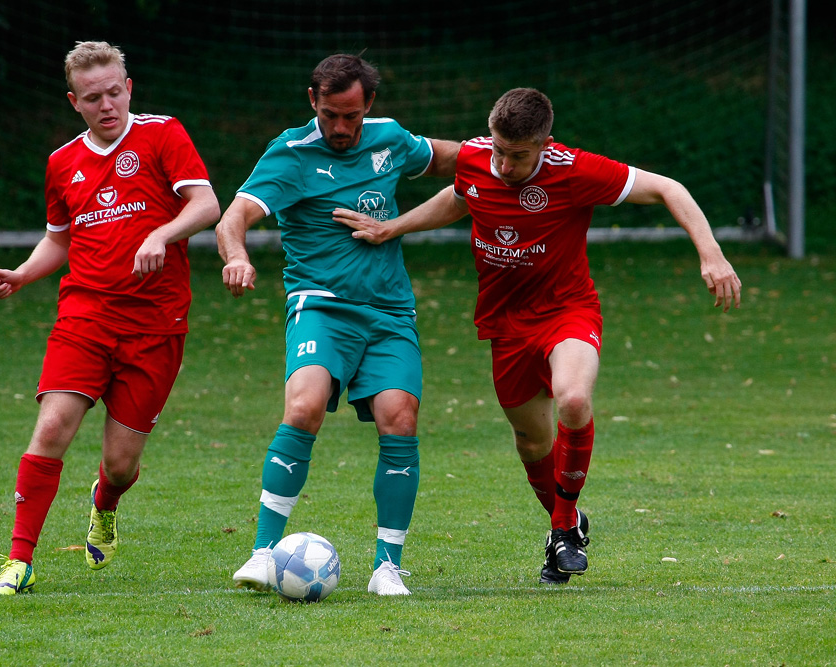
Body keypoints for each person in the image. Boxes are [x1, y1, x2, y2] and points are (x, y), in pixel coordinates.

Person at [335, 87, 741, 584]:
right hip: (504, 324)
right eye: (499, 150)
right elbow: (463, 195)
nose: (504, 164)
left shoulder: (576, 171)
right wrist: (391, 227)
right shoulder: (476, 158)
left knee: (573, 399)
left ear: (544, 144)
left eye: (518, 155)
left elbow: (669, 188)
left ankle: (564, 529)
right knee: (532, 442)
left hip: (567, 311)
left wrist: (711, 252)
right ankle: (565, 522)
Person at [216, 53, 459, 596]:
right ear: (313, 102)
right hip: (321, 307)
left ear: (368, 104)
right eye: (330, 115)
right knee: (303, 406)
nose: (341, 128)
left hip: (389, 312)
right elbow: (235, 216)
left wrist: (519, 156)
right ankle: (261, 553)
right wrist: (237, 256)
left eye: (351, 116)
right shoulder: (291, 153)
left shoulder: (391, 139)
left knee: (401, 417)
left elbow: (456, 159)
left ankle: (387, 567)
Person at [0, 41, 220, 595]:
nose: (107, 104)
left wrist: (161, 233)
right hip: (85, 316)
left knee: (119, 465)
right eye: (94, 97)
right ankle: (19, 562)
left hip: (156, 324)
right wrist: (22, 274)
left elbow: (206, 204)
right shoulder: (62, 163)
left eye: (115, 92)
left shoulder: (163, 134)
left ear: (129, 87)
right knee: (51, 428)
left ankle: (105, 501)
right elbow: (57, 240)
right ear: (74, 101)